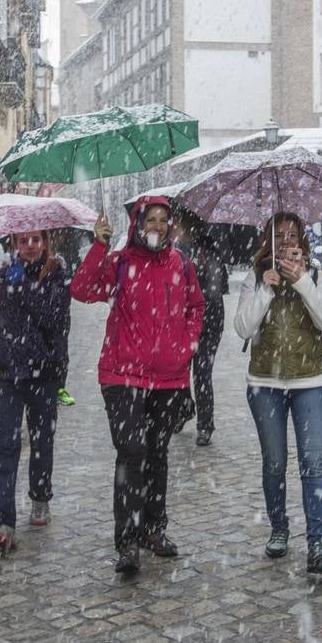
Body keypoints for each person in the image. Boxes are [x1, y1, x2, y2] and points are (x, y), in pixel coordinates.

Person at [70, 197, 205, 574]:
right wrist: (99, 245)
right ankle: (127, 540)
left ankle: (153, 529)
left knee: (158, 453)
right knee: (132, 452)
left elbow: (196, 307)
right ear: (138, 223)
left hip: (168, 378)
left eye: (164, 220)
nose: (158, 226)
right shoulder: (119, 263)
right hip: (122, 376)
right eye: (151, 219)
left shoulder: (182, 265)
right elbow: (81, 289)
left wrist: (186, 346)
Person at [233, 212, 322, 575]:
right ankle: (279, 528)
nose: (287, 242)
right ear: (269, 240)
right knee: (275, 463)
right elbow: (242, 327)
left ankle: (318, 542)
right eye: (279, 235)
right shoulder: (255, 277)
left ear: (302, 241)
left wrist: (303, 283)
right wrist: (266, 289)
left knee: (313, 465)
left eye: (293, 235)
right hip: (265, 384)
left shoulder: (316, 275)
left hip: (311, 382)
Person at [0, 230, 71, 555]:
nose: (30, 246)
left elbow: (54, 319)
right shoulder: (3, 277)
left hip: (43, 373)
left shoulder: (58, 276)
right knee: (6, 445)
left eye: (36, 240)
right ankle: (4, 520)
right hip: (8, 374)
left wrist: (25, 289)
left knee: (41, 440)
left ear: (46, 241)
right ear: (14, 244)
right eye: (23, 241)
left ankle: (40, 496)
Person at [171, 214, 229, 447]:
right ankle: (185, 409)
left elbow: (219, 288)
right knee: (178, 370)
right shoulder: (173, 251)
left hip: (209, 321)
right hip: (182, 322)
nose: (174, 228)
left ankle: (205, 424)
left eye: (178, 224)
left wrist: (198, 273)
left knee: (202, 373)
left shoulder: (208, 251)